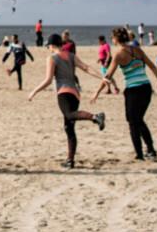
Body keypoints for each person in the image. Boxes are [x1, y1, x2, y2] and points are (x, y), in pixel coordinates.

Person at [26, 33, 106, 168]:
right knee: (69, 127)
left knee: (69, 116)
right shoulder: (71, 55)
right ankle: (70, 160)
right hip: (75, 94)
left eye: (48, 46)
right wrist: (101, 77)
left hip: (63, 92)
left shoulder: (52, 58)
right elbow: (86, 68)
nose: (48, 49)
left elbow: (48, 80)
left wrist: (34, 91)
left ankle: (95, 117)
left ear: (51, 45)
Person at [100, 26, 157, 160]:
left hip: (133, 90)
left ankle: (140, 154)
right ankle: (151, 150)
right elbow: (152, 66)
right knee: (138, 120)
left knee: (133, 121)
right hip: (146, 88)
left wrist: (98, 90)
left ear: (116, 39)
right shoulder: (137, 49)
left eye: (112, 37)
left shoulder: (118, 54)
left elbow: (108, 75)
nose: (111, 39)